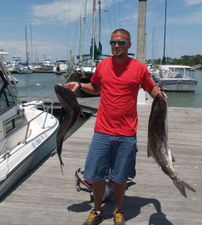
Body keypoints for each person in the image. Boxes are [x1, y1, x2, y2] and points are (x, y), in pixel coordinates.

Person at [66, 28, 163, 225]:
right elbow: (96, 88)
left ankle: (118, 210)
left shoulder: (138, 68)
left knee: (121, 177)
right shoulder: (103, 66)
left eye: (121, 42)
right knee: (96, 175)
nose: (116, 46)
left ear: (129, 45)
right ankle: (97, 210)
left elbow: (150, 87)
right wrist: (79, 85)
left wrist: (159, 96)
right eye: (113, 43)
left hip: (127, 133)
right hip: (102, 130)